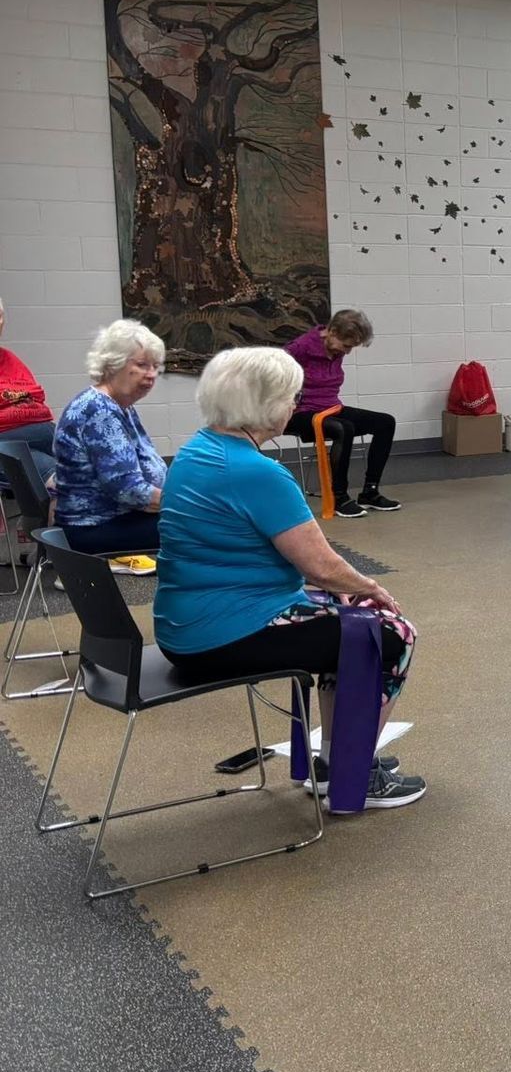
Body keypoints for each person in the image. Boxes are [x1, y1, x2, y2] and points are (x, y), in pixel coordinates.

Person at [155, 347, 425, 811]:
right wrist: (373, 589)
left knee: (349, 617)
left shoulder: (197, 450)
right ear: (263, 404)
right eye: (290, 397)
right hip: (224, 635)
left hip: (186, 626)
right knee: (392, 634)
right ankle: (352, 774)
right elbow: (319, 565)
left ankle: (333, 761)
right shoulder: (256, 472)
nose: (296, 407)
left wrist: (349, 592)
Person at [52, 319, 168, 555]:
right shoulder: (99, 411)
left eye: (156, 366)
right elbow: (129, 491)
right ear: (114, 364)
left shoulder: (119, 405)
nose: (152, 374)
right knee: (203, 527)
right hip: (94, 527)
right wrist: (187, 504)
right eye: (143, 365)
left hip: (115, 519)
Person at [284, 308, 400, 518]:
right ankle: (339, 498)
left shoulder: (335, 348)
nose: (347, 352)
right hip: (300, 413)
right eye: (346, 346)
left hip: (331, 408)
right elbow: (273, 376)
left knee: (385, 422)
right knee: (343, 428)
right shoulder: (301, 348)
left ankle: (370, 492)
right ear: (332, 331)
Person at [0, 297, 55, 480]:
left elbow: (35, 394)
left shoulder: (8, 357)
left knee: (62, 452)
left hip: (36, 429)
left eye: (0, 316)